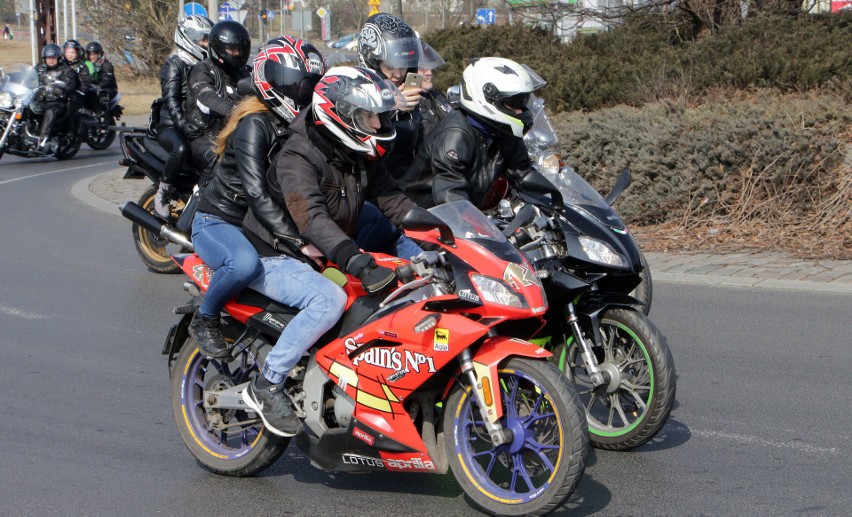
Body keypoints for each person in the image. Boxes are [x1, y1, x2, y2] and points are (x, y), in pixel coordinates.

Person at [240, 66, 417, 434]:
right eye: (370, 116)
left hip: (318, 251)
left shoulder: (355, 151)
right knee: (329, 302)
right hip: (274, 252)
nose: (378, 123)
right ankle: (267, 383)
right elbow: (312, 219)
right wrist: (357, 261)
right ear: (342, 115)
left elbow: (395, 201)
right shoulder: (298, 157)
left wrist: (446, 235)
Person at [190, 36, 327, 362]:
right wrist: (298, 241)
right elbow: (256, 193)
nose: (304, 92)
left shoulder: (292, 122)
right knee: (243, 264)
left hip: (256, 224)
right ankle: (206, 317)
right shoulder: (255, 123)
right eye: (297, 84)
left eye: (309, 84)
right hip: (219, 220)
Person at [400, 57, 545, 209]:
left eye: (523, 102)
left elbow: (523, 173)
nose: (520, 110)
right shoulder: (455, 135)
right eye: (513, 103)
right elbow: (451, 195)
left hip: (466, 215)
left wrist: (556, 203)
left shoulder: (501, 129)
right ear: (486, 99)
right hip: (423, 219)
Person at [154, 15, 214, 218]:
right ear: (188, 37)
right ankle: (162, 192)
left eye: (207, 39)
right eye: (202, 38)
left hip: (196, 123)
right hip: (171, 125)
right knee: (180, 149)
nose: (206, 43)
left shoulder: (204, 65)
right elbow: (171, 101)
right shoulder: (175, 64)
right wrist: (183, 125)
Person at [356, 13, 422, 180]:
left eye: (404, 66)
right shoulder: (354, 90)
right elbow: (361, 144)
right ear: (372, 61)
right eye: (391, 66)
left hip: (407, 185)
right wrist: (392, 108)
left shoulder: (414, 95)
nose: (397, 74)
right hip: (372, 186)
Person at [185, 20, 251, 186]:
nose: (237, 53)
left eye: (240, 49)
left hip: (235, 133)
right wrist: (236, 111)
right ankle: (199, 207)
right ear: (219, 48)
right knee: (222, 172)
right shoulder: (203, 69)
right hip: (205, 135)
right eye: (232, 49)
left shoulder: (244, 72)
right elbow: (206, 99)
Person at [33, 43, 79, 151]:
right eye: (48, 57)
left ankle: (43, 138)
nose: (51, 60)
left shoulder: (66, 70)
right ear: (45, 58)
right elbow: (29, 78)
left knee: (50, 110)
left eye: (53, 57)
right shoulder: (39, 68)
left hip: (57, 102)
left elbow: (71, 84)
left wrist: (62, 90)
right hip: (40, 100)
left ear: (58, 58)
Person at [416, 42, 451, 136]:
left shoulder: (439, 98)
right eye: (422, 68)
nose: (429, 72)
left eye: (429, 67)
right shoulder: (403, 106)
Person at [63, 39, 93, 131]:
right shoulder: (61, 65)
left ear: (77, 53)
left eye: (72, 52)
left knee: (69, 104)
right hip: (62, 93)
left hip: (76, 95)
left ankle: (70, 128)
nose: (69, 54)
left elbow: (85, 83)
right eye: (67, 52)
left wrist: (78, 92)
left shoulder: (82, 66)